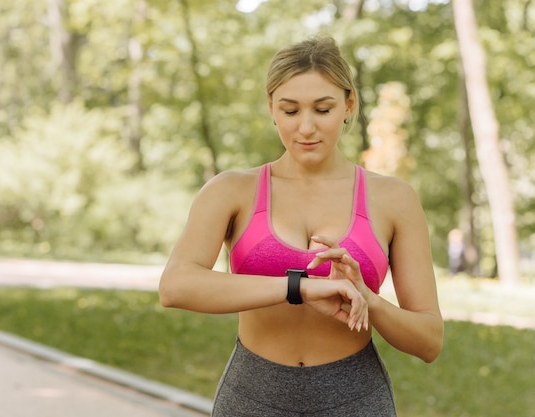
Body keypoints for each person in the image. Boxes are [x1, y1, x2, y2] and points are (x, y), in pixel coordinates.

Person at [159, 34, 443, 417]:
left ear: (349, 104)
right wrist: (299, 287)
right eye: (290, 111)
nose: (306, 128)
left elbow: (429, 341)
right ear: (271, 108)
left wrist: (368, 299)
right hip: (251, 396)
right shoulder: (232, 191)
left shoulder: (394, 198)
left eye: (322, 110)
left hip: (355, 398)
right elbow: (175, 286)